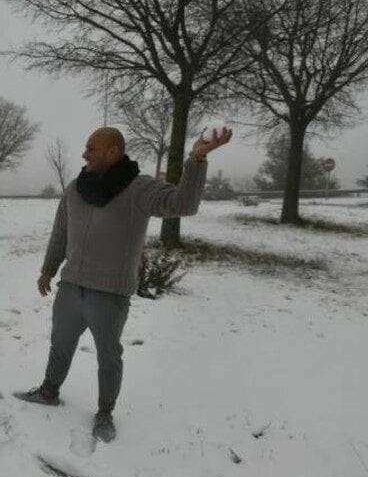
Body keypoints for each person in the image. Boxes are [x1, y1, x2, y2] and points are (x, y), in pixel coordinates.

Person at [13, 126, 232, 442]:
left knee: (108, 357)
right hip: (71, 288)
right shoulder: (75, 188)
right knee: (59, 344)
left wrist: (196, 159)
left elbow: (184, 204)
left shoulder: (139, 189)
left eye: (92, 148)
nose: (85, 153)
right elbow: (61, 232)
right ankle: (48, 391)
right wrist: (48, 269)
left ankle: (104, 413)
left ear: (113, 152)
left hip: (110, 294)